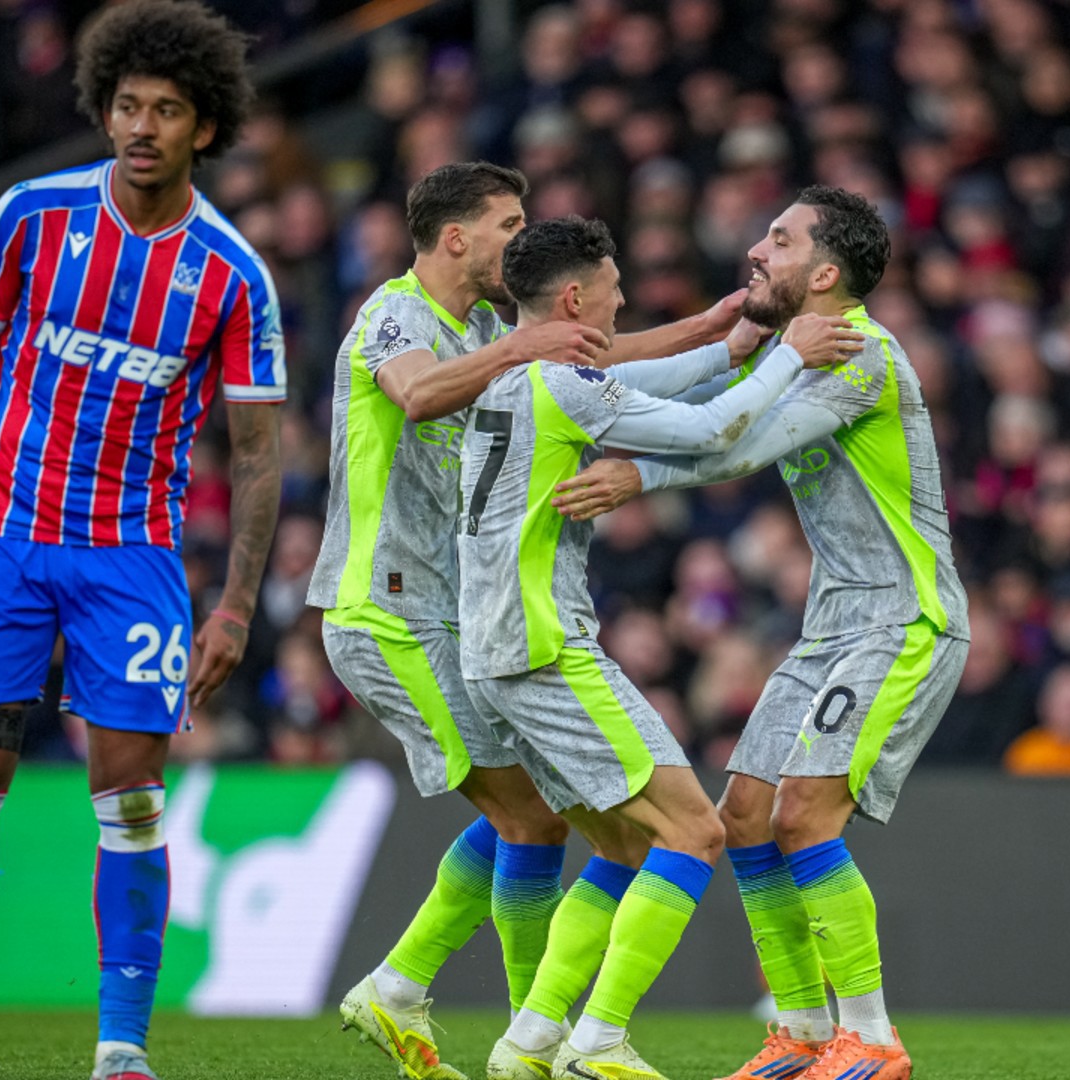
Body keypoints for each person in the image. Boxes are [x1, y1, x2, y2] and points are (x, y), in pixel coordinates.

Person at [0, 4, 282, 1079]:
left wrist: (238, 604)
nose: (142, 127)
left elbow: (256, 458)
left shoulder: (232, 274)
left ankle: (121, 1052)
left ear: (203, 129)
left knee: (130, 798)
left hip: (133, 561)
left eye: (166, 111)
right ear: (103, 110)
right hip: (3, 535)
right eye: (127, 106)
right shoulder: (30, 215)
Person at [308, 162, 746, 1080]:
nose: (521, 236)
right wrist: (522, 347)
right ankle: (518, 1031)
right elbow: (422, 395)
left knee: (547, 817)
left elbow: (586, 359)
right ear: (457, 236)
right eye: (508, 223)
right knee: (534, 819)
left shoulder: (480, 330)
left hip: (457, 611)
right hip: (389, 607)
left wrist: (710, 328)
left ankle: (430, 998)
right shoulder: (395, 314)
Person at [552, 186, 970, 1080]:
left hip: (903, 618)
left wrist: (637, 477)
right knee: (745, 816)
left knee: (806, 813)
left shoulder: (859, 352)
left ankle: (873, 1038)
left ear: (824, 273)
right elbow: (708, 408)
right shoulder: (791, 350)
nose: (755, 250)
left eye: (777, 241)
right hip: (832, 622)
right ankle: (804, 1033)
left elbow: (738, 447)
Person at [471, 216, 863, 1080]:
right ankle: (598, 1041)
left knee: (621, 845)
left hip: (496, 645)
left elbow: (648, 380)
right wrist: (792, 353)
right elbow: (712, 433)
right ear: (575, 298)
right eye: (613, 291)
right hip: (543, 649)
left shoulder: (511, 376)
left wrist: (736, 343)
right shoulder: (564, 384)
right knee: (694, 831)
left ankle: (529, 1041)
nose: (622, 304)